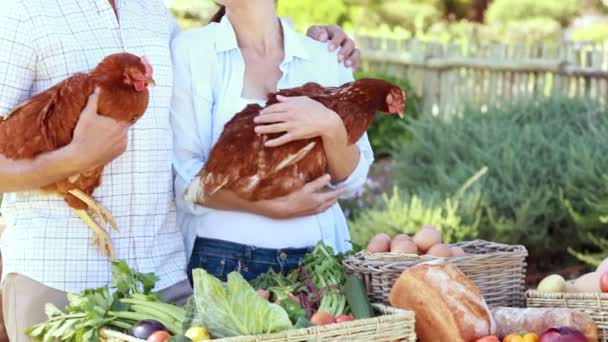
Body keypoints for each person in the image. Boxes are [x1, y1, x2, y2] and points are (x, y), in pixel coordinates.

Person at [0, 0, 360, 340]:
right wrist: (74, 159)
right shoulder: (22, 11)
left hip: (163, 280)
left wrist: (312, 44)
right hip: (61, 280)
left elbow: (227, 46)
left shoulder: (151, 12)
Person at [171, 0, 374, 283]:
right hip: (223, 263)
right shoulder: (192, 51)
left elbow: (353, 180)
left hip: (319, 262)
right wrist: (266, 204)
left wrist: (330, 127)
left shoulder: (323, 57)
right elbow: (184, 180)